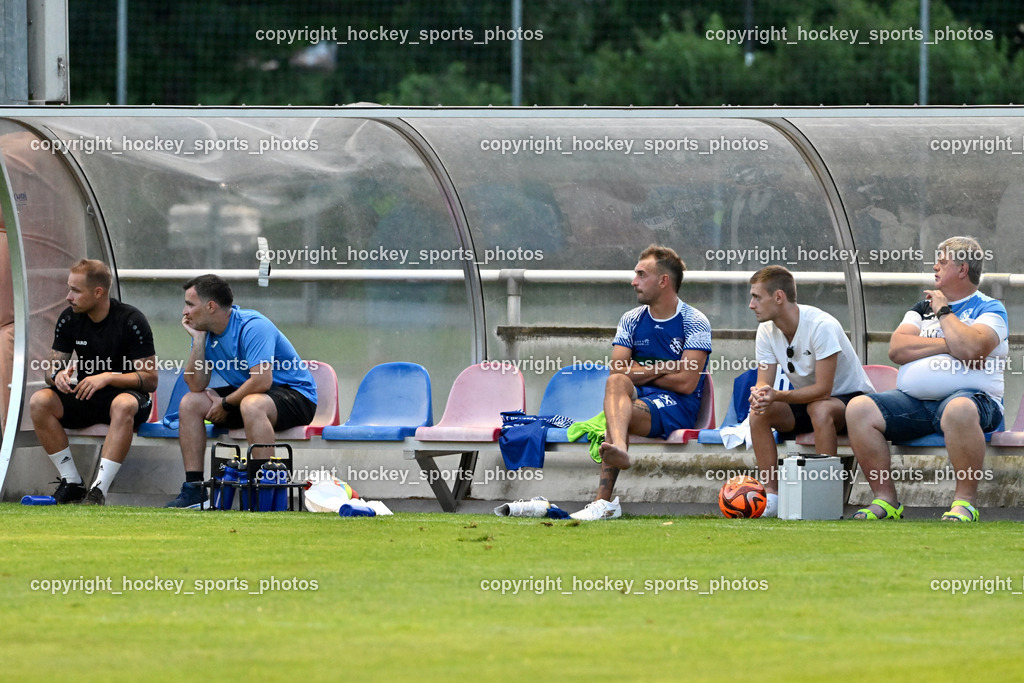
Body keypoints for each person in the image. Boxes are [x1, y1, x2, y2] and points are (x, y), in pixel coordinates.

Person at [847, 236, 1007, 522]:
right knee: (859, 409)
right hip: (916, 404)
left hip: (973, 401)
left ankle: (964, 503)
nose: (935, 267)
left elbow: (973, 349)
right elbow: (898, 349)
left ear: (962, 269)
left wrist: (944, 312)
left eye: (942, 262)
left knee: (959, 408)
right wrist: (950, 344)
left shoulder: (990, 307)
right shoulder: (922, 307)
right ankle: (885, 500)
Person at [570, 245, 711, 521]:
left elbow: (686, 383)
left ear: (663, 281)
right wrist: (665, 366)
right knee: (615, 383)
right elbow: (617, 370)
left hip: (677, 405)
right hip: (640, 397)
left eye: (641, 275)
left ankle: (603, 502)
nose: (634, 281)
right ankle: (620, 451)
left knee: (617, 413)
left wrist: (639, 370)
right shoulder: (631, 319)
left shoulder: (694, 321)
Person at [165, 274, 318, 507]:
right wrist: (198, 341)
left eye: (189, 304)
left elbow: (262, 380)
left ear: (210, 306)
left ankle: (265, 492)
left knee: (252, 404)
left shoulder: (253, 326)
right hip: (250, 396)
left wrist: (226, 403)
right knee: (190, 403)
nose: (184, 312)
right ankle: (194, 490)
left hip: (296, 396)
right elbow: (196, 384)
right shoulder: (205, 332)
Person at [747, 265, 875, 517]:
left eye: (756, 297)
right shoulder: (765, 330)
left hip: (853, 403)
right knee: (758, 413)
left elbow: (823, 390)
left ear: (779, 297)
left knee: (820, 409)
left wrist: (777, 395)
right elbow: (764, 381)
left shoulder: (821, 325)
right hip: (809, 401)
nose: (751, 305)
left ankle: (824, 497)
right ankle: (771, 496)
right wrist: (760, 394)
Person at [29, 259, 158, 505]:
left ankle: (98, 491)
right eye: (69, 288)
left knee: (122, 404)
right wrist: (58, 376)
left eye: (75, 290)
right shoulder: (69, 318)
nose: (68, 297)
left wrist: (108, 376)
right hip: (86, 395)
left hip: (128, 399)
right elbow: (51, 370)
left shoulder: (131, 320)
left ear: (98, 292)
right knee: (39, 401)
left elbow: (150, 380)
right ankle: (72, 482)